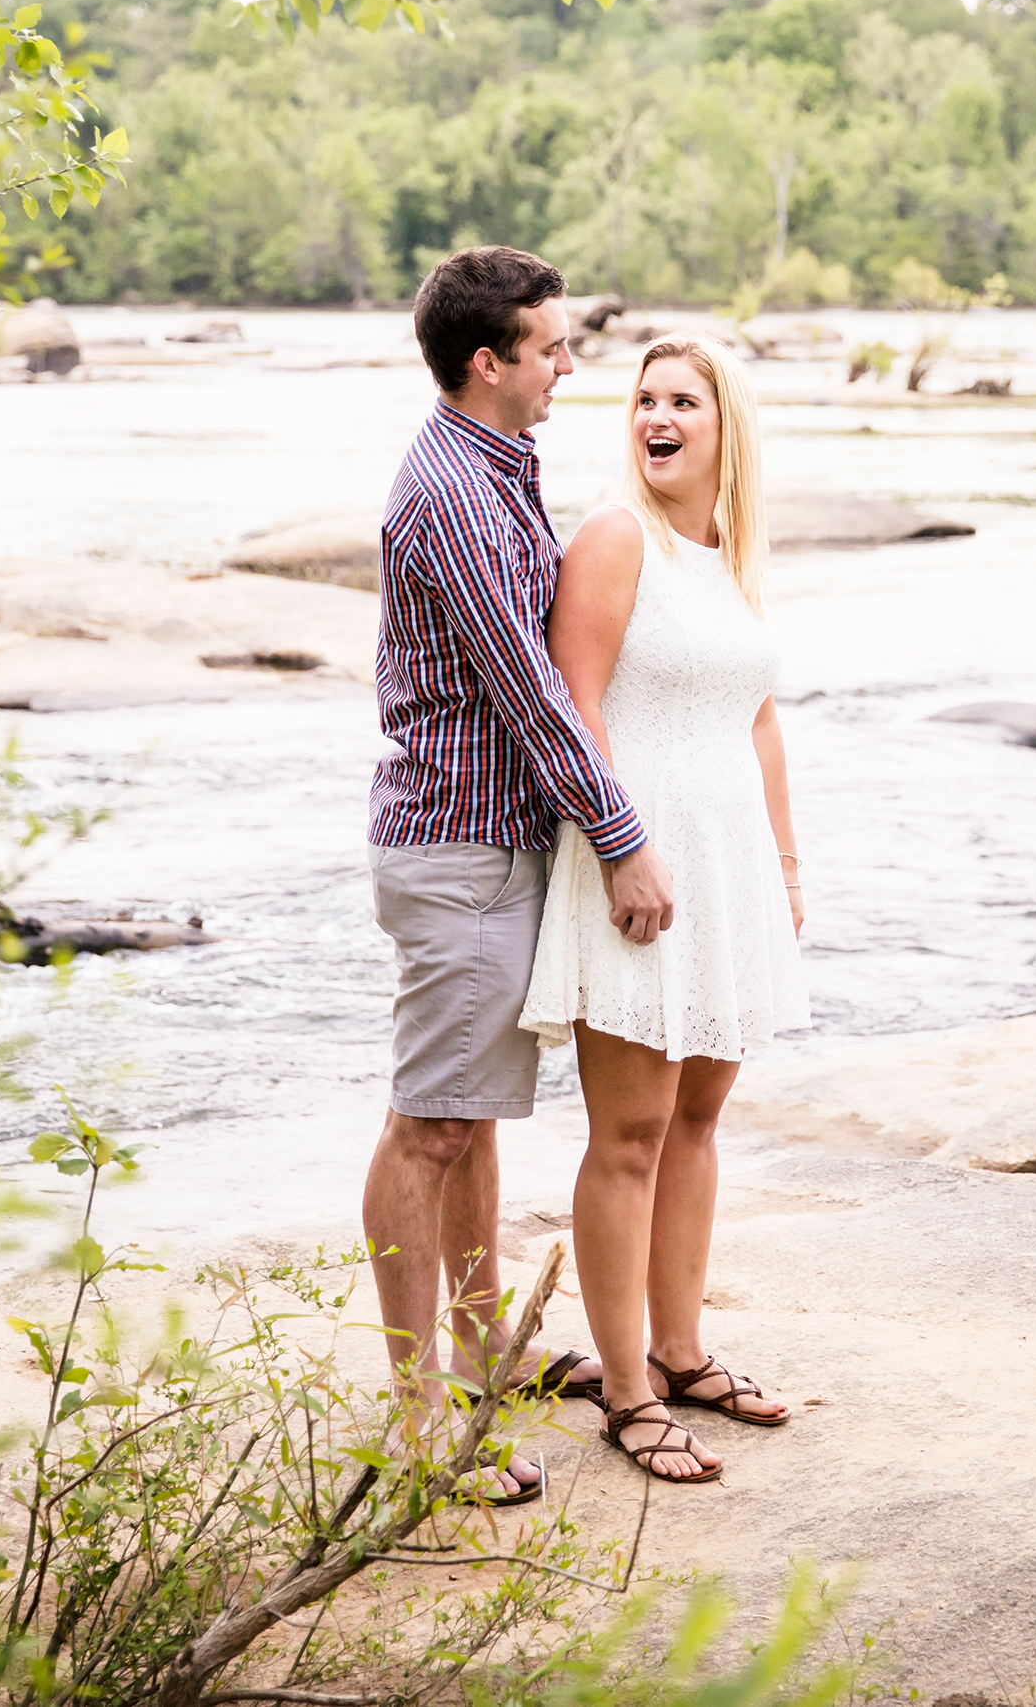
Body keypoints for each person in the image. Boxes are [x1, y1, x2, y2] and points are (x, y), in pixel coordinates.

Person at [363, 246, 675, 1506]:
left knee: (472, 1113)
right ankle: (419, 1422)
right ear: (488, 362)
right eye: (551, 347)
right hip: (461, 851)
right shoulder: (452, 491)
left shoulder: (496, 463)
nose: (569, 367)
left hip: (493, 847)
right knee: (430, 1124)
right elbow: (534, 695)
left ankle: (487, 1346)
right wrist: (624, 838)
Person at [520, 336, 809, 1484]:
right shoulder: (614, 536)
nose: (659, 416)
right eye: (646, 398)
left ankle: (682, 1353)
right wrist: (621, 851)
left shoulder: (729, 552)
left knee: (698, 1119)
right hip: (635, 865)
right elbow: (575, 705)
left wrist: (784, 867)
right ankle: (626, 1391)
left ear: (727, 425)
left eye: (684, 400)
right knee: (631, 1132)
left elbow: (759, 719)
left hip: (728, 871)